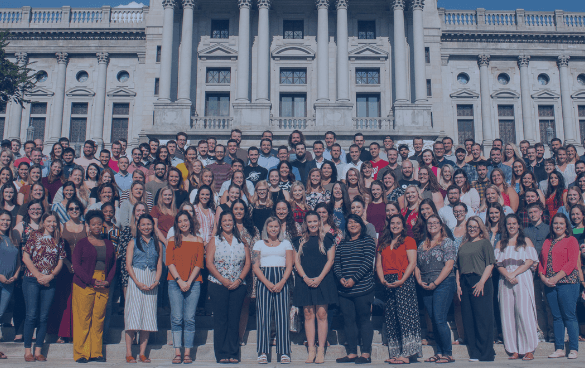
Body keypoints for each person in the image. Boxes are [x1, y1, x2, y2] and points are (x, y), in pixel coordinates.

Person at [71, 210, 116, 363]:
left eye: (99, 224)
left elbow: (113, 265)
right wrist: (90, 280)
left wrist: (108, 281)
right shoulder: (82, 243)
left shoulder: (108, 244)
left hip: (103, 283)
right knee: (83, 319)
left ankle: (96, 352)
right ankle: (81, 353)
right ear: (88, 226)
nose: (97, 226)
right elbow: (76, 265)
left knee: (98, 318)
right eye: (93, 224)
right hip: (84, 283)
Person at [206, 211, 250, 364]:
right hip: (218, 284)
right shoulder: (215, 240)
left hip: (238, 285)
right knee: (221, 320)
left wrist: (239, 280)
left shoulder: (242, 241)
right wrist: (222, 279)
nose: (227, 223)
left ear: (234, 222)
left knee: (234, 319)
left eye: (229, 220)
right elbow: (209, 263)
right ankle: (221, 353)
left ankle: (233, 353)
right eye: (224, 220)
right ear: (220, 223)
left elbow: (248, 263)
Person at [293, 211, 337, 364]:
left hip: (323, 280)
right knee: (308, 314)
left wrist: (319, 278)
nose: (312, 224)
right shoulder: (298, 240)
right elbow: (296, 262)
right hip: (304, 280)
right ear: (305, 223)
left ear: (319, 222)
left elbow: (330, 260)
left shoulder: (328, 238)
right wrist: (305, 277)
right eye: (309, 222)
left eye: (315, 221)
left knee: (322, 314)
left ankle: (321, 350)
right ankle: (311, 350)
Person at [377, 214, 421, 364]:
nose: (395, 226)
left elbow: (412, 262)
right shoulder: (383, 241)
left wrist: (402, 279)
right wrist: (382, 279)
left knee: (405, 316)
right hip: (387, 280)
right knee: (392, 316)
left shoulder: (409, 241)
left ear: (403, 226)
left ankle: (408, 354)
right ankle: (396, 352)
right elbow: (378, 263)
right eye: (392, 223)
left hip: (403, 279)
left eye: (398, 223)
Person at [22, 211, 66, 362]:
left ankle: (38, 350)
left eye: (54, 222)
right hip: (31, 280)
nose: (52, 224)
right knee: (31, 315)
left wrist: (51, 276)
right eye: (49, 221)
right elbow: (25, 256)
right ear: (43, 222)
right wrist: (38, 275)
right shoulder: (35, 235)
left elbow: (60, 261)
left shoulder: (59, 239)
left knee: (43, 317)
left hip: (49, 281)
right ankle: (28, 351)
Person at [494, 214, 538, 361]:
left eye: (514, 223)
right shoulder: (501, 243)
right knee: (507, 315)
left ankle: (528, 349)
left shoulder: (525, 241)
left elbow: (529, 261)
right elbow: (498, 264)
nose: (511, 226)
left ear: (519, 225)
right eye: (509, 224)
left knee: (524, 313)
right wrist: (508, 275)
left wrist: (514, 274)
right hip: (505, 279)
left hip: (522, 276)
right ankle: (513, 349)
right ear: (505, 226)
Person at [334, 214, 376, 364]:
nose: (352, 225)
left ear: (361, 225)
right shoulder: (342, 244)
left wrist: (353, 279)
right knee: (348, 320)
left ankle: (365, 353)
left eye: (355, 222)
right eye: (349, 222)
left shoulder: (368, 241)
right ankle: (352, 352)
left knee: (364, 320)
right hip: (344, 290)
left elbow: (367, 263)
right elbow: (336, 263)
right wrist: (341, 278)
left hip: (363, 288)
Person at [415, 214, 457, 364]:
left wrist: (436, 283)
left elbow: (449, 265)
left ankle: (448, 353)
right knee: (433, 319)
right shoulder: (422, 244)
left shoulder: (447, 242)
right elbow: (416, 265)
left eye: (435, 223)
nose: (432, 225)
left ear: (441, 226)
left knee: (439, 319)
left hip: (443, 283)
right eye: (429, 223)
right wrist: (419, 280)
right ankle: (439, 352)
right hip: (426, 285)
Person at [251, 217, 294, 364]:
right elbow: (255, 266)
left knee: (282, 316)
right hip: (264, 280)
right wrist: (267, 282)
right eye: (270, 226)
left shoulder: (286, 244)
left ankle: (284, 352)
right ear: (266, 228)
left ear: (279, 228)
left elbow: (289, 265)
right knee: (264, 316)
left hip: (282, 280)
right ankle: (263, 351)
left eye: (276, 226)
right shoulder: (258, 244)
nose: (273, 229)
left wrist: (282, 281)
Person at [538, 213, 580, 359]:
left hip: (567, 282)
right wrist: (543, 277)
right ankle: (559, 349)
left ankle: (573, 349)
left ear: (566, 226)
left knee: (569, 315)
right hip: (549, 283)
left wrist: (556, 277)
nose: (558, 226)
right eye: (555, 223)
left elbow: (572, 262)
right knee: (556, 317)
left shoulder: (571, 240)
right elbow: (541, 261)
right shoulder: (548, 241)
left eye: (561, 223)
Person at [166, 210, 204, 365]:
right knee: (176, 318)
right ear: (177, 224)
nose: (183, 224)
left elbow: (199, 263)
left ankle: (187, 352)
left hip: (193, 282)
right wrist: (180, 281)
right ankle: (177, 352)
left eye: (186, 220)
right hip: (175, 283)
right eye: (180, 221)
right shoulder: (171, 240)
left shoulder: (198, 240)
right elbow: (169, 262)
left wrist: (188, 281)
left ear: (191, 221)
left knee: (189, 318)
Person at [124, 214, 163, 363]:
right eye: (143, 225)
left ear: (153, 226)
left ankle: (142, 353)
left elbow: (159, 264)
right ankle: (129, 352)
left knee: (147, 316)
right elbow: (128, 264)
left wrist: (156, 280)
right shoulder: (133, 242)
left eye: (149, 224)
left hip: (151, 279)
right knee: (133, 316)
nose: (146, 227)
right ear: (138, 226)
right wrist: (137, 282)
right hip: (136, 278)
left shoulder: (157, 244)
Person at [456, 216, 496, 362]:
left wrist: (481, 282)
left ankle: (486, 353)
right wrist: (458, 285)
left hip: (480, 280)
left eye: (475, 227)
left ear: (480, 229)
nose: (472, 229)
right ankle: (474, 352)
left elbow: (490, 264)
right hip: (465, 282)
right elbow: (458, 267)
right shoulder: (463, 244)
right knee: (468, 317)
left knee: (482, 318)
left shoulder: (485, 243)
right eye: (470, 226)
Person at [50, 198, 87, 344]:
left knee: (78, 302)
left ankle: (75, 332)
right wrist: (66, 262)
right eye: (71, 208)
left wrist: (79, 266)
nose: (74, 211)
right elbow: (57, 248)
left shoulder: (86, 227)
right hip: (64, 268)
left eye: (77, 208)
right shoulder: (61, 226)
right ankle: (61, 333)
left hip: (81, 269)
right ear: (67, 211)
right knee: (63, 301)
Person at [0, 209, 19, 360]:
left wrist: (16, 275)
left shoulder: (12, 238)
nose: (5, 222)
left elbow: (18, 260)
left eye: (7, 220)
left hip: (9, 282)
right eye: (2, 220)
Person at [118, 202, 148, 297]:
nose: (140, 212)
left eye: (143, 210)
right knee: (129, 302)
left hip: (145, 270)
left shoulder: (150, 232)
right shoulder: (127, 230)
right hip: (129, 269)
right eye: (138, 210)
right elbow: (123, 255)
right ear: (134, 213)